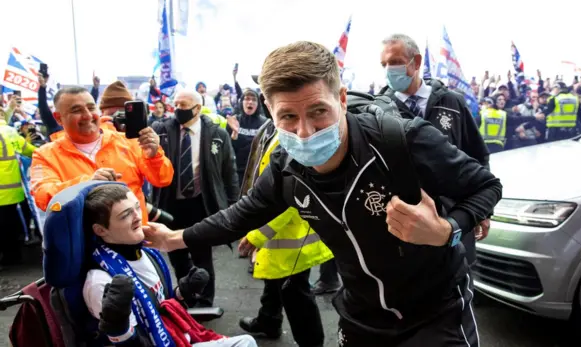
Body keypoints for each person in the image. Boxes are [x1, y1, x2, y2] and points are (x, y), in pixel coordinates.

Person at [144, 41, 502, 347]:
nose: (305, 132)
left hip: (436, 313)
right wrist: (174, 239)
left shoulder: (401, 139)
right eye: (287, 117)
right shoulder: (286, 167)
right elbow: (241, 215)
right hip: (360, 316)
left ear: (342, 99)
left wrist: (447, 230)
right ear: (271, 112)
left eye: (318, 111)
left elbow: (486, 186)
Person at [82, 184, 257, 347]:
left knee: (247, 342)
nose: (138, 216)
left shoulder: (146, 253)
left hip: (177, 337)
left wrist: (184, 292)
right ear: (101, 230)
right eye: (125, 215)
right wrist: (117, 327)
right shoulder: (102, 281)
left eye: (137, 207)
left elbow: (162, 303)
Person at [378, 33, 491, 269]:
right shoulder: (377, 109)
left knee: (459, 285)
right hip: (404, 223)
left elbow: (477, 155)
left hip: (454, 216)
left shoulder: (453, 102)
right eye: (384, 64)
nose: (389, 69)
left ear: (416, 62)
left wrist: (482, 209)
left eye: (395, 62)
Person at [236, 117, 331, 346]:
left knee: (296, 294)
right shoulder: (271, 128)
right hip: (279, 231)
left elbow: (291, 197)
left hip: (291, 236)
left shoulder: (295, 137)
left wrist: (258, 234)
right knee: (275, 279)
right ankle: (268, 319)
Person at [30, 86, 174, 224]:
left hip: (134, 239)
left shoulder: (129, 142)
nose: (87, 115)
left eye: (91, 108)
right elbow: (43, 197)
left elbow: (163, 179)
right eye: (76, 110)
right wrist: (86, 185)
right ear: (58, 118)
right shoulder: (45, 155)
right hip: (82, 244)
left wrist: (155, 156)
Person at [152, 89, 239, 312]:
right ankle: (187, 295)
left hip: (202, 204)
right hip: (171, 205)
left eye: (183, 105)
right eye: (176, 105)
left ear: (197, 108)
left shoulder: (217, 134)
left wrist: (232, 206)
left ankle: (205, 300)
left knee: (202, 255)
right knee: (176, 253)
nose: (177, 110)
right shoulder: (161, 130)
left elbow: (230, 173)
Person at [0, 119, 35, 267]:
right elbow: (29, 149)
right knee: (10, 225)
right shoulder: (9, 131)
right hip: (12, 191)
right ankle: (12, 257)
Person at [226, 88, 268, 193]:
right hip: (237, 171)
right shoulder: (234, 120)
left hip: (257, 171)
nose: (250, 102)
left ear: (258, 104)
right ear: (241, 102)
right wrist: (234, 133)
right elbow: (228, 149)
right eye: (247, 99)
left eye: (254, 100)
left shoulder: (265, 123)